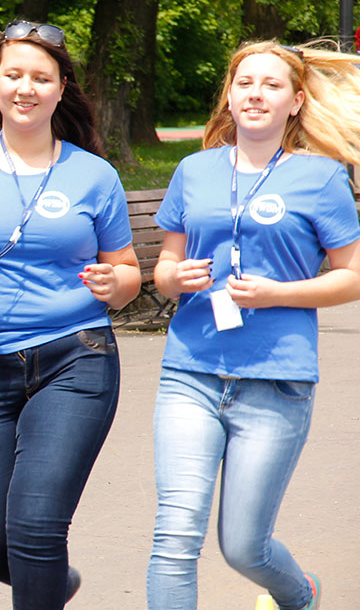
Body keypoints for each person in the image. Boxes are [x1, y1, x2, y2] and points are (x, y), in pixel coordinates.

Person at [146, 41, 360, 610]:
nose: (256, 94)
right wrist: (175, 277)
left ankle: (300, 594)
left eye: (271, 85)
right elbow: (164, 268)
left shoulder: (321, 177)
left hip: (276, 378)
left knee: (243, 547)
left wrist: (277, 294)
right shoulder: (194, 169)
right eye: (244, 83)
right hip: (190, 371)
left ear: (295, 101)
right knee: (175, 535)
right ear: (230, 96)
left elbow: (352, 277)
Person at [0, 21, 141, 609]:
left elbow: (128, 273)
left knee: (35, 525)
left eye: (41, 78)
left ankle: (41, 578)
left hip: (74, 358)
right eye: (14, 75)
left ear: (60, 89)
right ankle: (53, 584)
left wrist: (116, 283)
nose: (25, 88)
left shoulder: (94, 174)